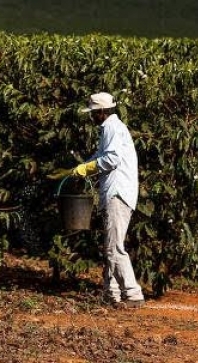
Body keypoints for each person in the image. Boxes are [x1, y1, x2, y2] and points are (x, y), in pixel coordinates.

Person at [51, 92, 145, 308]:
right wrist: (80, 168)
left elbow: (111, 159)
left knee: (114, 248)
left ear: (101, 112)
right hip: (115, 193)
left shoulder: (112, 127)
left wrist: (85, 168)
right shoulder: (110, 129)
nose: (91, 117)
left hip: (118, 193)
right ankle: (111, 294)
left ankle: (133, 294)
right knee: (111, 246)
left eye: (93, 113)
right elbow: (100, 156)